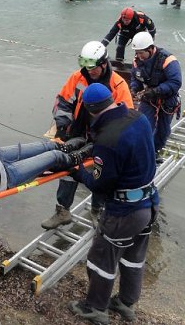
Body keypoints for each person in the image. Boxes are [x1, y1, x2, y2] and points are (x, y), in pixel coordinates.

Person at [67, 83, 159, 325]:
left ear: (89, 109)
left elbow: (100, 185)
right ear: (111, 99)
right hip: (148, 204)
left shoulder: (107, 140)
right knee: (133, 259)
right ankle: (126, 304)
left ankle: (95, 309)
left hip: (124, 212)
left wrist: (78, 171)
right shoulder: (138, 118)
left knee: (101, 259)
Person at [41, 41, 134, 230]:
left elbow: (126, 118)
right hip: (77, 132)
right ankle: (62, 211)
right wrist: (61, 128)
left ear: (103, 63)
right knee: (68, 170)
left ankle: (97, 210)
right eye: (85, 66)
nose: (88, 71)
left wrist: (109, 140)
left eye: (92, 67)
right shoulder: (78, 78)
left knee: (100, 175)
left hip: (102, 138)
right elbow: (63, 102)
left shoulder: (118, 85)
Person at [130, 32, 182, 157]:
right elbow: (135, 78)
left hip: (166, 99)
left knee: (162, 131)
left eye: (141, 53)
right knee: (143, 125)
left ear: (150, 49)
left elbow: (175, 82)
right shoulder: (137, 61)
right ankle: (143, 152)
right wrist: (133, 89)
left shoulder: (168, 60)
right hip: (149, 98)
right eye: (136, 53)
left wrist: (156, 91)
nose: (139, 56)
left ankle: (155, 151)